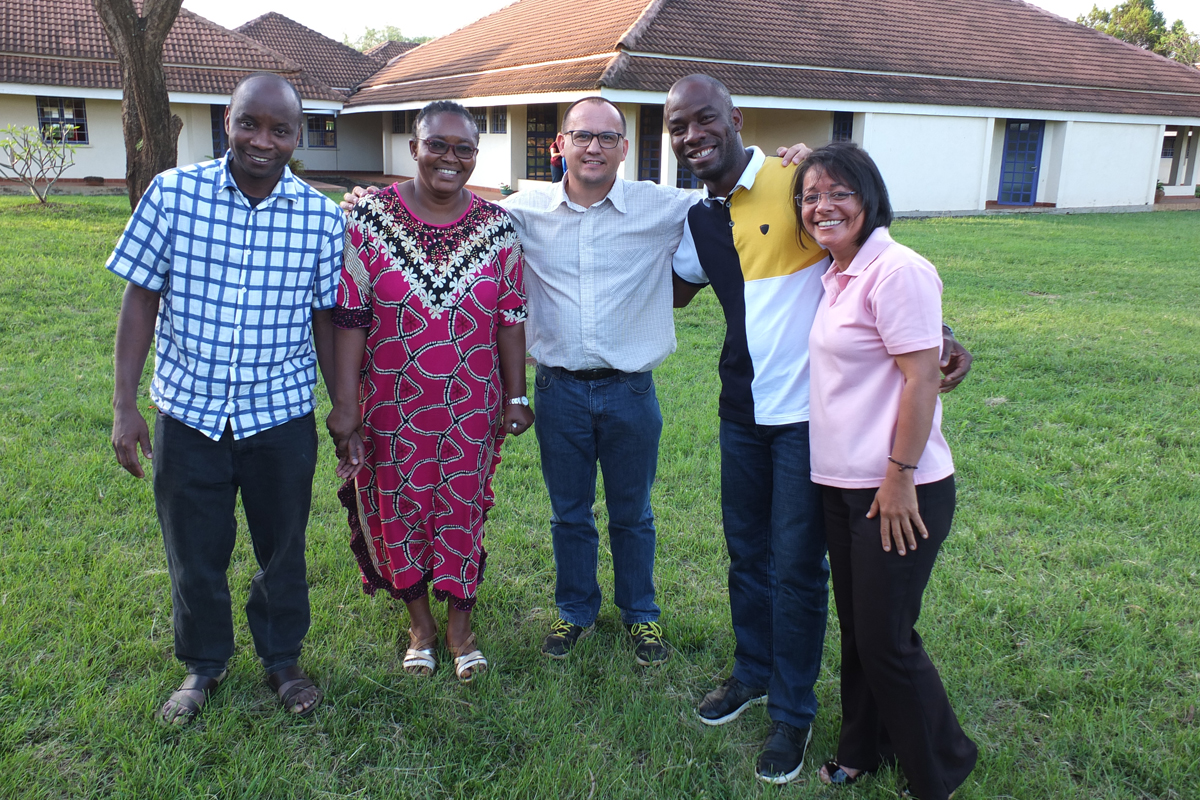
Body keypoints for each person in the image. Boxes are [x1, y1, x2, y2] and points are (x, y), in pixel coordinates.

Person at [341, 99, 814, 668]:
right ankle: (575, 611)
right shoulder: (519, 211)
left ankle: (641, 615)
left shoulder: (666, 207)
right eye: (582, 136)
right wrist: (371, 203)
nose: (595, 147)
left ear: (624, 148)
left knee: (633, 513)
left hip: (631, 390)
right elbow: (456, 209)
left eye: (609, 138)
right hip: (559, 390)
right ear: (559, 145)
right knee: (569, 513)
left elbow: (737, 191)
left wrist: (798, 165)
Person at [667, 74, 972, 784]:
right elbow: (678, 287)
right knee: (747, 555)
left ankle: (793, 714)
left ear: (735, 117)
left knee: (797, 569)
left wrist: (943, 334)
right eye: (678, 127)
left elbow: (868, 256)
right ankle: (752, 673)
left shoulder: (796, 179)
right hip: (741, 412)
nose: (692, 135)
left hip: (811, 420)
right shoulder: (698, 218)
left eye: (705, 119)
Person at [108, 72, 342, 724]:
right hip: (189, 414)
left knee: (283, 549)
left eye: (279, 129)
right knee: (195, 552)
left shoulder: (321, 217)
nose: (261, 140)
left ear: (298, 136)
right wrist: (126, 406)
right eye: (249, 124)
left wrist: (342, 406)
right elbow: (140, 298)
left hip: (280, 416)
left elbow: (326, 317)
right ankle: (203, 665)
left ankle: (282, 660)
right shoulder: (172, 195)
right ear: (226, 123)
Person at [325, 101, 532, 682]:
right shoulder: (366, 223)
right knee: (398, 509)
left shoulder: (498, 229)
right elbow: (349, 318)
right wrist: (346, 407)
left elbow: (511, 316)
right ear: (413, 148)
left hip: (470, 406)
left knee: (461, 513)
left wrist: (516, 397)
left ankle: (461, 629)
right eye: (437, 145)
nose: (450, 158)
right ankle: (420, 626)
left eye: (464, 148)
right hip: (390, 405)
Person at [799, 143, 977, 800]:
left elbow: (922, 378)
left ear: (869, 198)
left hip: (900, 488)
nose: (823, 206)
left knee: (886, 638)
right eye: (811, 195)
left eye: (839, 192)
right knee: (862, 630)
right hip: (843, 485)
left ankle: (944, 765)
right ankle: (861, 749)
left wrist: (899, 475)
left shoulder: (896, 270)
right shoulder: (836, 272)